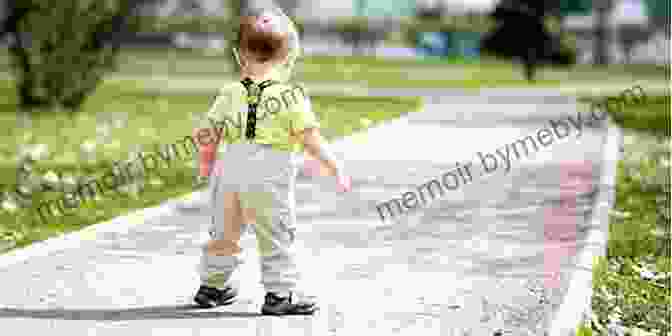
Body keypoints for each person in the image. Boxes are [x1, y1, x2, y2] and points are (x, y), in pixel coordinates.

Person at [194, 5, 351, 316]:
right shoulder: (292, 96)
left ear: (240, 55)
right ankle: (279, 294)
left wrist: (206, 165)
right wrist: (334, 166)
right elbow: (309, 137)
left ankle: (212, 287)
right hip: (269, 172)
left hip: (230, 169)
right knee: (275, 232)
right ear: (287, 56)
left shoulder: (229, 92)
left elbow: (208, 133)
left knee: (224, 230)